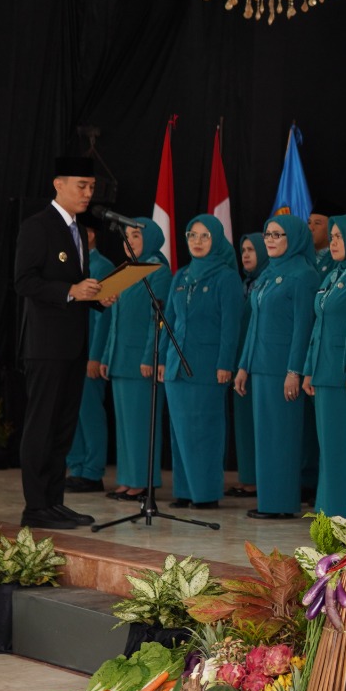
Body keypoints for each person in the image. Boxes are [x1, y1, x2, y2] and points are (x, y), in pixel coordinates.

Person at [13, 156, 114, 529]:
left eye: (92, 187)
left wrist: (96, 297)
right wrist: (71, 290)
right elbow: (24, 281)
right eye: (81, 186)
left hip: (73, 343)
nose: (88, 193)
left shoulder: (79, 232)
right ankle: (35, 506)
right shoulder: (37, 226)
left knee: (62, 427)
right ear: (59, 184)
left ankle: (53, 502)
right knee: (42, 424)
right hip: (46, 345)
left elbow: (78, 287)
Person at [234, 214, 320, 519]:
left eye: (277, 234)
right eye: (267, 234)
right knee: (265, 437)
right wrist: (243, 366)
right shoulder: (268, 273)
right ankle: (269, 501)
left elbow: (303, 328)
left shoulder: (303, 275)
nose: (270, 240)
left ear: (293, 238)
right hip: (260, 367)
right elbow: (254, 324)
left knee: (281, 437)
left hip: (282, 370)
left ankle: (282, 504)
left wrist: (294, 371)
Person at [161, 215, 242, 510]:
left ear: (216, 239)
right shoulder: (181, 275)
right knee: (180, 432)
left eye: (205, 236)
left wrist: (225, 364)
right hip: (176, 366)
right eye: (192, 235)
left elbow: (231, 327)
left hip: (208, 366)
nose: (197, 241)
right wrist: (162, 358)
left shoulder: (226, 277)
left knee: (205, 431)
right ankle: (185, 491)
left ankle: (205, 494)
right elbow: (169, 321)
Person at [99, 219, 172, 503]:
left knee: (141, 424)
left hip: (141, 361)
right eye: (126, 236)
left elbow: (159, 319)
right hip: (121, 359)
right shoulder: (126, 271)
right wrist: (107, 355)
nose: (129, 241)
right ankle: (128, 479)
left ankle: (143, 481)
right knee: (125, 425)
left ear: (150, 239)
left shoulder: (157, 271)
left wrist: (149, 356)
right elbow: (115, 319)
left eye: (136, 236)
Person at [302, 213, 346, 517]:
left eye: (340, 237)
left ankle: (341, 512)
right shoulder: (333, 275)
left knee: (341, 447)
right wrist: (308, 368)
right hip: (323, 370)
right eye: (332, 236)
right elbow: (318, 325)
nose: (333, 242)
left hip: (343, 373)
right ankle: (327, 510)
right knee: (328, 448)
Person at [67, 223, 114, 494]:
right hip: (71, 350)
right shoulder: (70, 266)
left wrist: (95, 355)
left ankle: (93, 471)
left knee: (90, 413)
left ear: (91, 234)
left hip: (88, 352)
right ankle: (77, 467)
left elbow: (103, 316)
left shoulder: (102, 266)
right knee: (72, 412)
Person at [228, 234, 268, 499]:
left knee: (258, 425)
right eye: (243, 250)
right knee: (243, 423)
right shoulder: (245, 283)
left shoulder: (266, 281)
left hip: (260, 361)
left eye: (252, 250)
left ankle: (258, 481)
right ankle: (248, 478)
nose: (245, 255)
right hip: (240, 361)